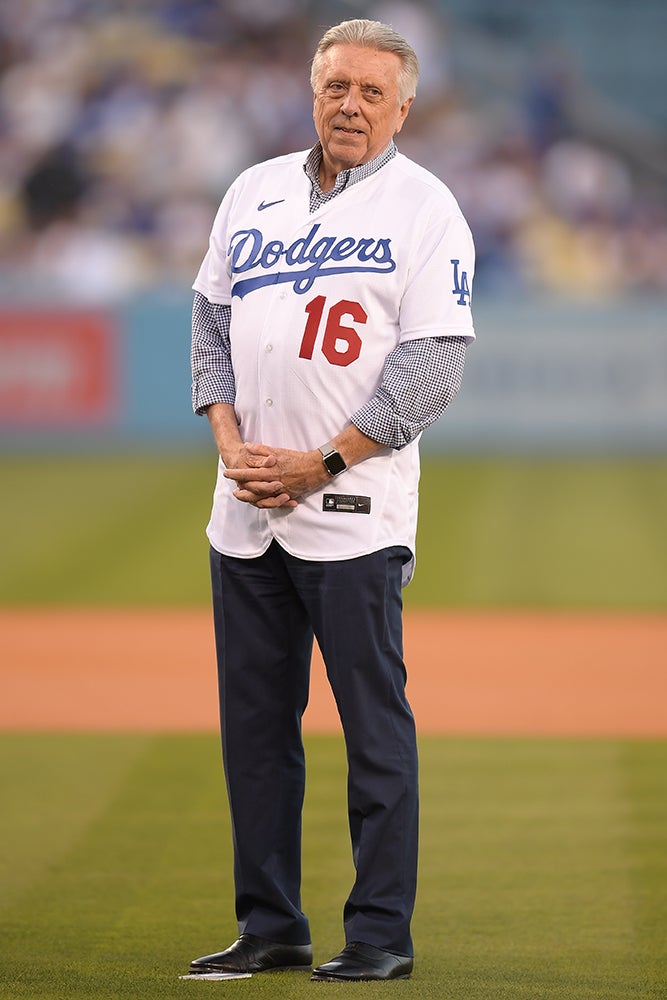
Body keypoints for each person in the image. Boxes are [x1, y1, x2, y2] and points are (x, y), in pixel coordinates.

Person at [187, 17, 475, 983]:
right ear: (313, 92)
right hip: (244, 514)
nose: (349, 104)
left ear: (403, 106)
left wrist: (319, 462)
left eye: (369, 92)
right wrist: (228, 439)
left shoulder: (426, 208)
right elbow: (212, 317)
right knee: (255, 737)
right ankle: (270, 925)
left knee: (372, 737)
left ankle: (379, 936)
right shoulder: (252, 189)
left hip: (351, 517)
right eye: (334, 87)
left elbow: (432, 368)